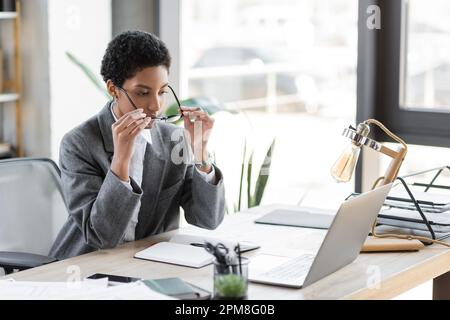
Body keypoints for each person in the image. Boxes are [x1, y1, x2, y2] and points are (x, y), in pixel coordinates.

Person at [50, 30, 225, 260]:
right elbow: (102, 237)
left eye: (162, 92)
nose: (156, 105)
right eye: (143, 93)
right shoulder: (78, 144)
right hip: (85, 266)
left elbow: (207, 219)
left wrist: (201, 154)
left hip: (149, 264)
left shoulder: (174, 139)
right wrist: (121, 160)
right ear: (113, 89)